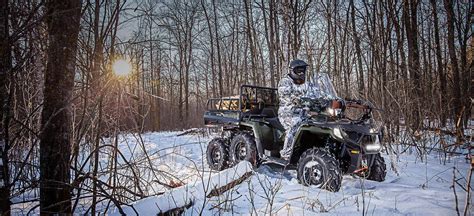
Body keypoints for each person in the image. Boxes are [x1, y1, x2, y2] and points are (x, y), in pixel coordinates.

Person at [278, 59, 314, 160]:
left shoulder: (306, 83)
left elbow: (314, 93)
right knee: (294, 125)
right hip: (287, 112)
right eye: (299, 71)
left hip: (302, 112)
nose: (301, 73)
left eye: (303, 71)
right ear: (293, 70)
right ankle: (286, 154)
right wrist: (297, 99)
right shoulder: (285, 81)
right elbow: (286, 95)